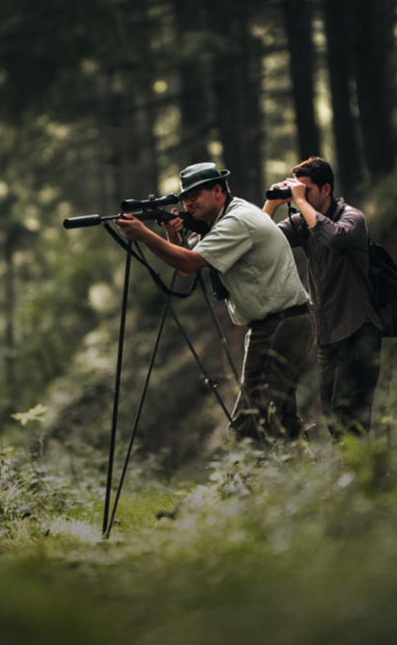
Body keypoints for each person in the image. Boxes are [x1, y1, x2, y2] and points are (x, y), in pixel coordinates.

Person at [115, 162, 314, 441]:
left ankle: (242, 484)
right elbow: (185, 266)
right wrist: (172, 234)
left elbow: (191, 262)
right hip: (282, 323)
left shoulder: (236, 221)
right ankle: (305, 478)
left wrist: (144, 234)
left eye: (195, 194)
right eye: (185, 197)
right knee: (281, 421)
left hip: (278, 325)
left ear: (218, 191)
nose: (189, 202)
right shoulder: (222, 221)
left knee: (248, 428)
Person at [263, 156, 382, 440]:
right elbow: (259, 238)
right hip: (327, 336)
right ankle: (358, 475)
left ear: (326, 189)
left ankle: (364, 476)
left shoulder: (352, 218)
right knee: (331, 415)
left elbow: (333, 236)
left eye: (308, 191)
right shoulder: (302, 222)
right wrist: (273, 203)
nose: (301, 196)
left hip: (358, 329)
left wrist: (299, 202)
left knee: (349, 417)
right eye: (298, 191)